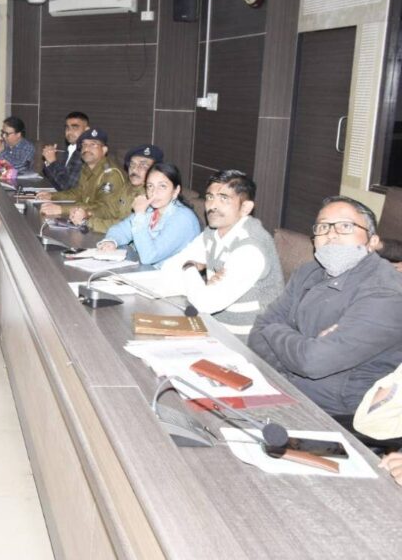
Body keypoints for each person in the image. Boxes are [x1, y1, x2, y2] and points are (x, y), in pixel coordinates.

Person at [248, 196, 402, 418]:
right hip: (285, 386)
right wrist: (296, 354)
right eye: (323, 227)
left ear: (372, 241)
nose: (331, 234)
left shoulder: (386, 294)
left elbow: (313, 362)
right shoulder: (308, 271)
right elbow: (257, 333)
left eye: (345, 226)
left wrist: (274, 331)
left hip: (335, 414)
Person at [161, 170, 283, 340]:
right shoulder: (213, 232)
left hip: (247, 343)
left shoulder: (251, 248)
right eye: (210, 197)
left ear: (245, 208)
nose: (212, 206)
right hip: (213, 329)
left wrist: (190, 266)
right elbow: (168, 269)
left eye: (224, 199)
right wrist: (203, 286)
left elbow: (205, 303)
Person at [97, 163, 200, 267]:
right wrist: (111, 241)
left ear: (176, 191)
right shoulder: (151, 209)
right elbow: (121, 230)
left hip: (170, 275)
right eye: (150, 186)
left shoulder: (183, 218)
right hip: (144, 270)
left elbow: (149, 256)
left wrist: (139, 215)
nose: (154, 192)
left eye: (162, 186)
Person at [37, 130, 128, 232]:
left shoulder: (111, 174)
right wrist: (52, 196)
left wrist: (62, 209)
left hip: (105, 229)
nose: (87, 148)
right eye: (84, 145)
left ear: (104, 150)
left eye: (93, 144)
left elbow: (105, 209)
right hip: (85, 221)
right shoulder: (86, 167)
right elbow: (78, 193)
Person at [41, 112, 94, 191]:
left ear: (87, 130)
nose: (69, 131)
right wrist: (48, 161)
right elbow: (53, 180)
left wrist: (52, 162)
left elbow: (69, 188)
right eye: (67, 127)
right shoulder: (70, 149)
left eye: (75, 128)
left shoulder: (86, 152)